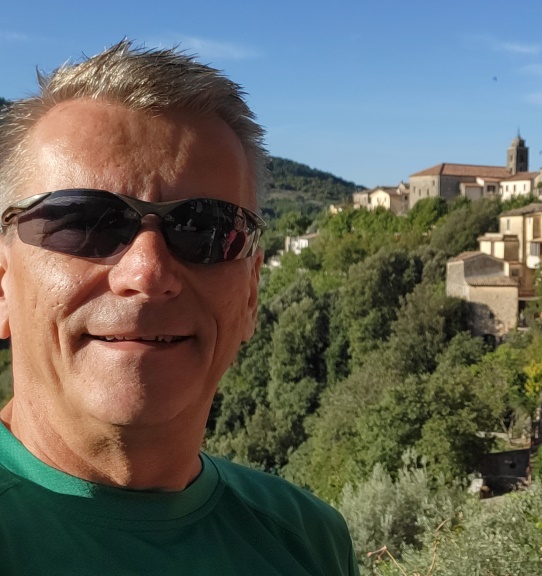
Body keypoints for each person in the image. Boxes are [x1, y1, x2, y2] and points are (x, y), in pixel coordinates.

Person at [0, 41, 358, 574]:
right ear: (2, 285)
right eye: (84, 223)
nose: (148, 273)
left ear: (251, 292)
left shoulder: (308, 540)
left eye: (206, 230)